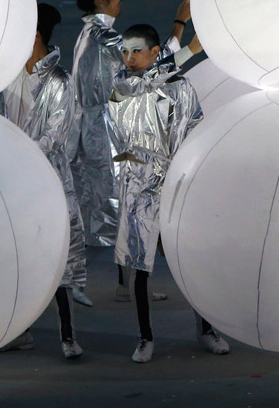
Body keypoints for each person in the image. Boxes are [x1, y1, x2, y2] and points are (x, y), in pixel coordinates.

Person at [108, 23, 230, 363]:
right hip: (139, 187)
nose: (129, 58)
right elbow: (142, 84)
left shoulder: (181, 87)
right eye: (125, 52)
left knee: (192, 260)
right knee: (140, 266)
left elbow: (196, 129)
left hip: (178, 185)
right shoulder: (122, 85)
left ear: (154, 52)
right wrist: (190, 50)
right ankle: (144, 337)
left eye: (136, 51)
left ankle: (207, 328)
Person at [67, 0, 189, 304]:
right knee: (113, 211)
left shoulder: (91, 34)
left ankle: (125, 283)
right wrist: (180, 26)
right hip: (105, 138)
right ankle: (72, 280)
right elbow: (152, 67)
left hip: (101, 133)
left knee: (118, 208)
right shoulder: (104, 38)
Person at [0, 3, 86, 359]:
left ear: (33, 36)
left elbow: (54, 137)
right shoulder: (7, 77)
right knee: (15, 258)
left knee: (56, 259)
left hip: (46, 183)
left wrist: (15, 153)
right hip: (11, 182)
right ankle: (19, 331)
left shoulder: (59, 81)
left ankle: (68, 336)